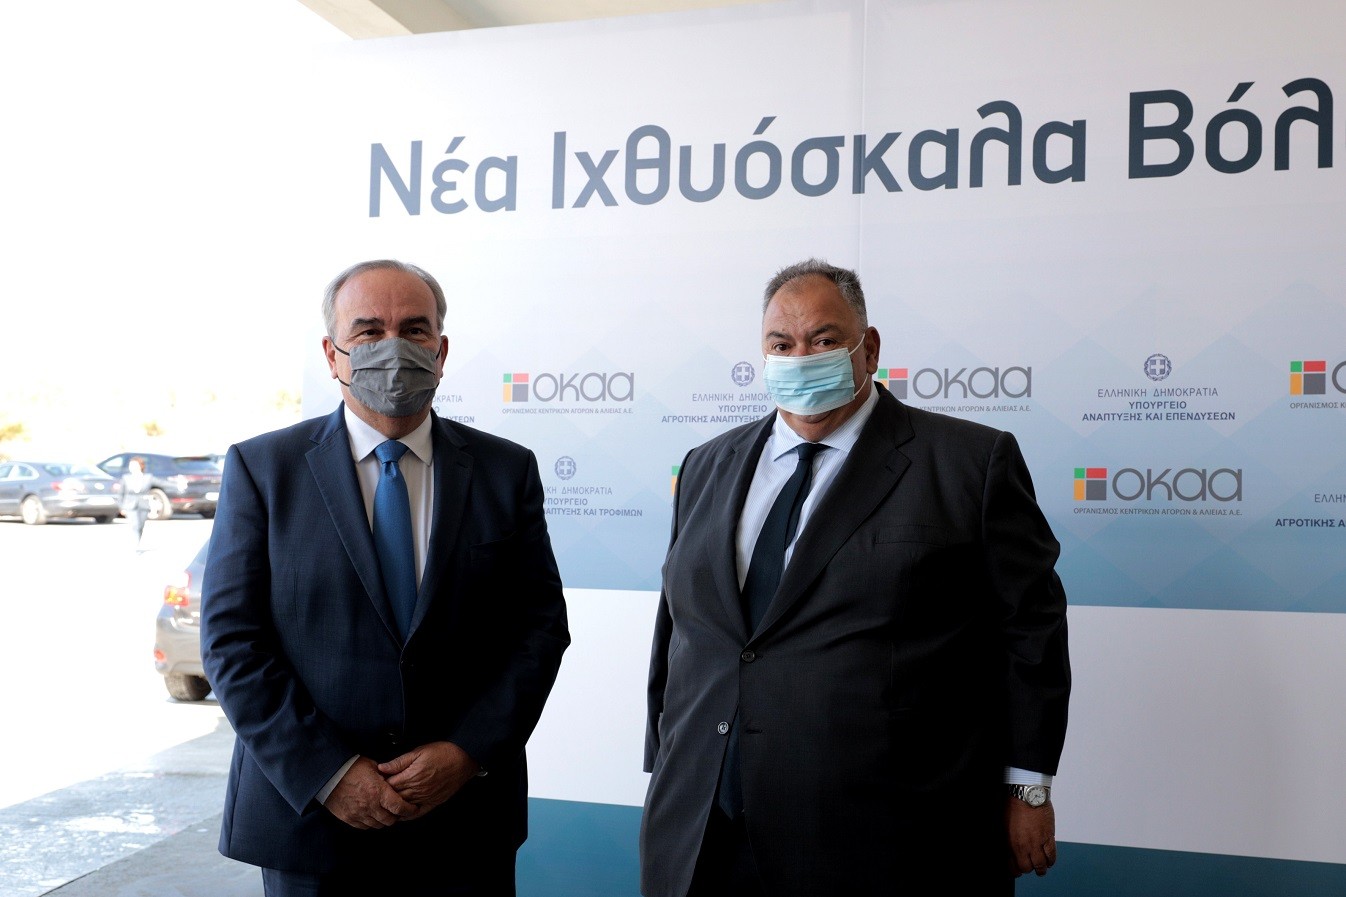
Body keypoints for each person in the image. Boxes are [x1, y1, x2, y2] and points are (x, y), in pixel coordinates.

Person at [640, 259, 1071, 896]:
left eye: (823, 340)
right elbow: (680, 629)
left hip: (886, 834)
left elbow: (1031, 632)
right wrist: (664, 764)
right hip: (705, 826)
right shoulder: (707, 464)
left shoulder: (969, 463)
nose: (800, 358)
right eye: (781, 344)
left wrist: (1027, 786)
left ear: (868, 349)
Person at [200, 259, 570, 897]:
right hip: (311, 826)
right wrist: (329, 773)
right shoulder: (263, 470)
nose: (393, 348)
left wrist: (467, 751)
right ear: (332, 354)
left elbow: (537, 630)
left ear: (441, 350)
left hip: (464, 822)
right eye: (368, 331)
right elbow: (233, 642)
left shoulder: (506, 471)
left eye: (414, 330)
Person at [120, 455, 152, 551]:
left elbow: (162, 484)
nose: (132, 467)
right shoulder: (126, 478)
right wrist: (121, 507)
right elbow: (121, 493)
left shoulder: (148, 477)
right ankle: (136, 545)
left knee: (140, 526)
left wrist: (178, 484)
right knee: (135, 525)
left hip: (144, 505)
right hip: (130, 505)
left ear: (140, 466)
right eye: (131, 465)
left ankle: (137, 541)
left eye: (134, 465)